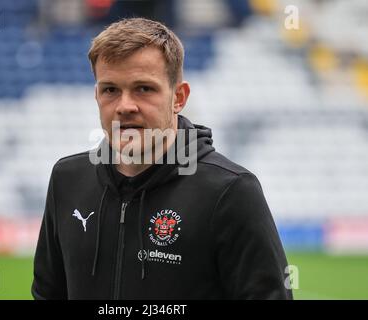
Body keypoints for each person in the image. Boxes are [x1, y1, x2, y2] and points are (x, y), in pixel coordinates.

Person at [32, 17, 293, 300]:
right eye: (110, 90)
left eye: (144, 88)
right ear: (97, 96)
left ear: (179, 97)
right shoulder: (67, 179)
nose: (125, 106)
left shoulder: (230, 191)